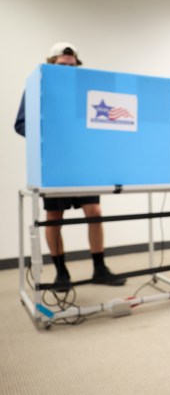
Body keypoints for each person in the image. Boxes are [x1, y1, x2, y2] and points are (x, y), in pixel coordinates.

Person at [14, 42, 126, 291]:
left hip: (83, 163)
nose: (68, 70)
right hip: (54, 164)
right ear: (51, 65)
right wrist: (50, 134)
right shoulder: (36, 89)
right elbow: (21, 124)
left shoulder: (84, 92)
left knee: (95, 211)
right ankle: (61, 273)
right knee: (54, 217)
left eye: (72, 66)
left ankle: (99, 269)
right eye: (62, 66)